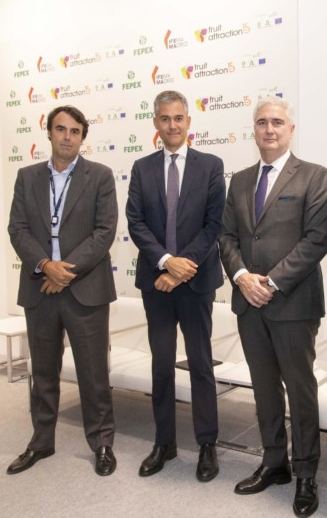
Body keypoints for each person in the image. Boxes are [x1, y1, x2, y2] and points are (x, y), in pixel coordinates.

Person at [219, 97, 327, 517]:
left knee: (300, 390)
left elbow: (317, 239)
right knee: (264, 387)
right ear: (254, 129)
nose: (270, 129)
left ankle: (306, 473)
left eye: (278, 122)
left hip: (293, 303)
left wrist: (270, 281)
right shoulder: (240, 180)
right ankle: (274, 462)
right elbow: (226, 237)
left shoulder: (314, 176)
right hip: (248, 303)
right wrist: (241, 277)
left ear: (291, 129)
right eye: (262, 122)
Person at [7, 105, 118, 476]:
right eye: (60, 129)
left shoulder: (100, 176)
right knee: (43, 372)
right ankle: (41, 441)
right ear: (49, 132)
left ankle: (102, 443)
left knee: (93, 374)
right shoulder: (27, 177)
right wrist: (44, 265)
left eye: (74, 131)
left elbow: (104, 232)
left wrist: (63, 271)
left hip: (84, 289)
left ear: (82, 137)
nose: (67, 137)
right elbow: (17, 229)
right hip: (39, 289)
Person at [126, 90, 225, 482]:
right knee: (161, 365)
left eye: (178, 118)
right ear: (155, 123)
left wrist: (182, 268)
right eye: (165, 118)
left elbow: (214, 225)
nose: (172, 125)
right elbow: (136, 223)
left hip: (196, 282)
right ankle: (164, 442)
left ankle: (207, 444)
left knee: (200, 364)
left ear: (188, 121)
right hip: (157, 283)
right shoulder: (141, 168)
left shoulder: (211, 165)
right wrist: (166, 262)